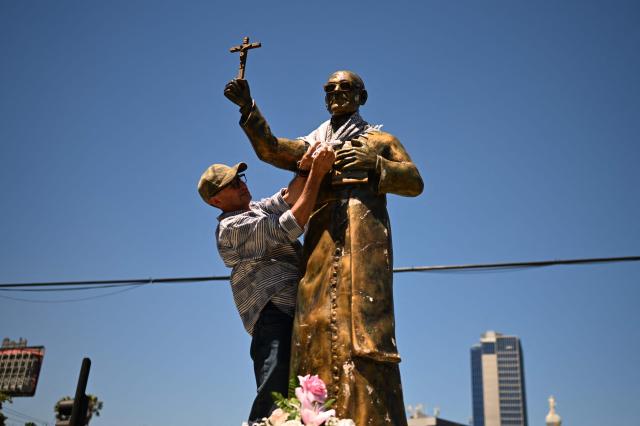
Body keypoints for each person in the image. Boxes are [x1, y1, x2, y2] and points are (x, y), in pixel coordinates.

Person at [224, 70, 424, 426]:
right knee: (312, 325)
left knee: (363, 330)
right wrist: (248, 109)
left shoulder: (379, 140)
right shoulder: (315, 144)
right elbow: (271, 148)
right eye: (330, 88)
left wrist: (375, 165)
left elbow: (414, 181)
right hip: (320, 245)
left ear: (362, 96)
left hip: (364, 239)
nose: (336, 93)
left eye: (345, 88)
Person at [197, 144, 335, 424]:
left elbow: (287, 198)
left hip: (293, 311)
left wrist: (304, 170)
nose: (240, 186)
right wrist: (317, 176)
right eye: (231, 185)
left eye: (239, 179)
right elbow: (291, 223)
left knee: (300, 395)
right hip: (272, 316)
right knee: (273, 396)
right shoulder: (231, 229)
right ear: (215, 201)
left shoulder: (255, 209)